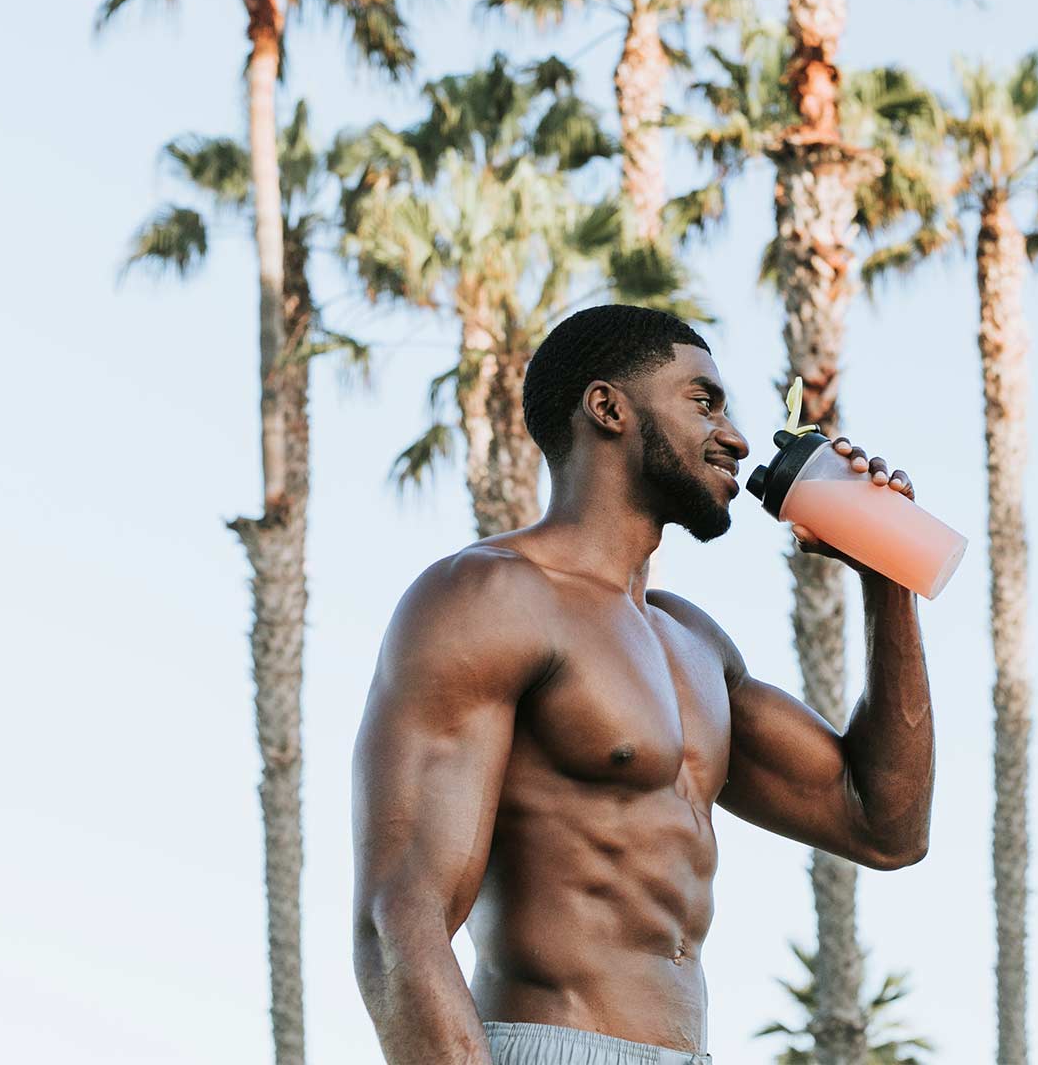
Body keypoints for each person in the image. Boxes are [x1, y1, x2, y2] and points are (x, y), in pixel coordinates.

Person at [352, 305, 936, 1065]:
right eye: (704, 401)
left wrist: (887, 583)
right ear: (608, 408)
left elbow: (884, 826)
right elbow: (398, 921)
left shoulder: (692, 643)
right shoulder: (488, 597)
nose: (736, 437)